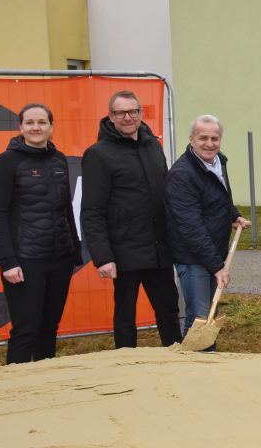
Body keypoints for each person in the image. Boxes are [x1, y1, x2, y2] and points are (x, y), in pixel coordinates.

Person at [81, 91, 181, 348]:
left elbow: (167, 194)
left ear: (140, 113)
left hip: (159, 249)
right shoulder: (98, 154)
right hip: (124, 252)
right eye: (120, 113)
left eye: (133, 111)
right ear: (111, 116)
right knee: (125, 317)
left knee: (169, 311)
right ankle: (125, 366)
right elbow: (92, 210)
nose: (128, 117)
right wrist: (103, 256)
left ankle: (176, 360)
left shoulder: (153, 146)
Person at [0, 104, 82, 364]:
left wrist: (73, 249)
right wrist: (8, 262)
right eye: (30, 122)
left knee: (49, 328)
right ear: (21, 127)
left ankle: (45, 383)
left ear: (51, 127)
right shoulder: (6, 162)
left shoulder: (58, 159)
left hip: (59, 259)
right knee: (26, 329)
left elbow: (65, 209)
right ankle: (16, 387)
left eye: (42, 122)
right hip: (25, 261)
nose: (36, 127)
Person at [165, 115, 251, 343]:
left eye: (215, 138)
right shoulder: (182, 175)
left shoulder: (218, 161)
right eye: (203, 138)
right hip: (193, 257)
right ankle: (193, 367)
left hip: (212, 253)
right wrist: (217, 266)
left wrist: (234, 215)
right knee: (199, 316)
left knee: (210, 316)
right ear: (191, 139)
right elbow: (190, 226)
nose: (209, 143)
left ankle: (208, 363)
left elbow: (219, 196)